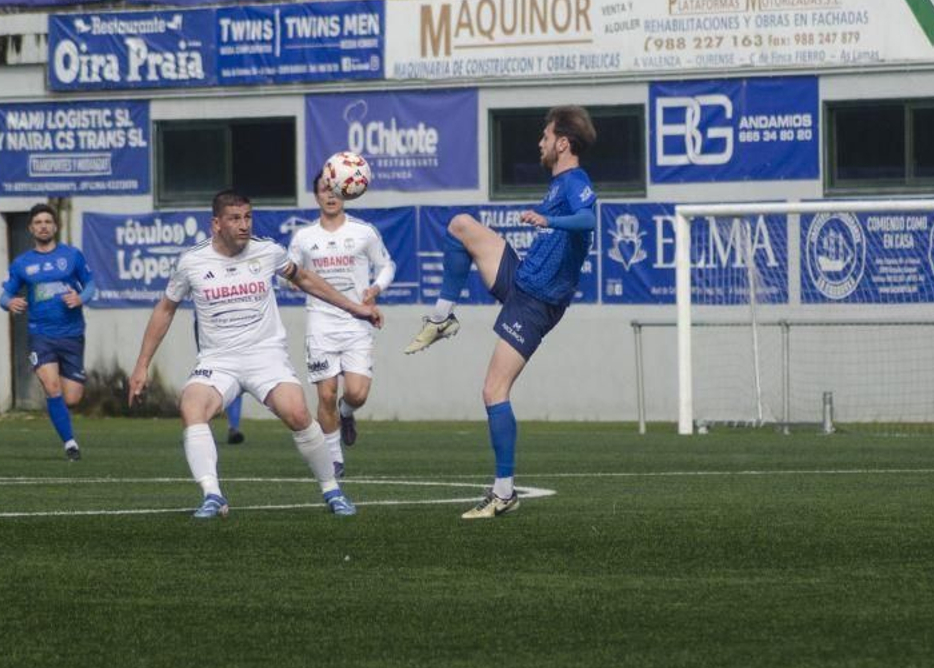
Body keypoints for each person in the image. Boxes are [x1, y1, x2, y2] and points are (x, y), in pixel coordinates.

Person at [127, 189, 382, 520]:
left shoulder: (267, 252)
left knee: (298, 413)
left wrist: (354, 308)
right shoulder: (192, 262)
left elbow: (305, 279)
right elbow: (165, 309)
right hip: (218, 360)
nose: (244, 225)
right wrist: (141, 365)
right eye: (235, 219)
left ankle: (332, 490)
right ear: (216, 224)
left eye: (247, 217)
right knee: (191, 407)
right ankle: (212, 495)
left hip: (266, 356)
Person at [405, 105, 598, 519]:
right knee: (460, 226)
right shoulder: (560, 181)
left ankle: (504, 492)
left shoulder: (576, 180)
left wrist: (549, 219)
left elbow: (587, 219)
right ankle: (442, 319)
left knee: (494, 392)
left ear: (563, 143)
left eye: (546, 136)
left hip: (537, 301)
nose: (540, 143)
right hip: (522, 277)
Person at [288, 171, 396, 478]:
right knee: (325, 394)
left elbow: (387, 264)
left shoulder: (364, 232)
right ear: (317, 195)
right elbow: (289, 273)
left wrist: (376, 289)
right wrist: (291, 284)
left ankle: (346, 413)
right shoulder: (304, 238)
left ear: (347, 192)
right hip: (320, 323)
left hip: (356, 322)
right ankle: (334, 460)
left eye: (335, 189)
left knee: (357, 393)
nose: (330, 195)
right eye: (324, 189)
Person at [0, 204, 96, 460]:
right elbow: (4, 296)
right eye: (38, 222)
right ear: (31, 228)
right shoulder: (22, 264)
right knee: (52, 387)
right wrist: (9, 302)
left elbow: (90, 284)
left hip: (72, 333)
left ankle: (63, 419)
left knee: (72, 397)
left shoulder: (72, 256)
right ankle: (70, 444)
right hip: (41, 335)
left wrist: (80, 298)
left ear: (55, 226)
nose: (43, 226)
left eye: (47, 222)